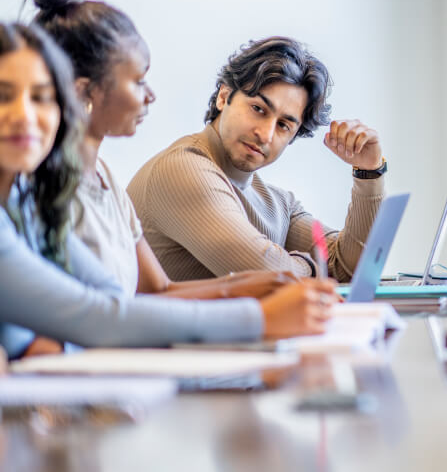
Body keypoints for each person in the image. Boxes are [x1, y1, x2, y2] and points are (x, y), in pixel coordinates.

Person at [0, 22, 336, 358]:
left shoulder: (24, 201)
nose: (25, 116)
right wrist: (260, 317)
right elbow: (99, 318)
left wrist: (369, 173)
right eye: (4, 96)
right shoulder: (183, 166)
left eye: (42, 98)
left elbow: (113, 301)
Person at [30, 0, 295, 299]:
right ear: (86, 92)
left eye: (285, 124)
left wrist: (260, 286)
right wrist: (254, 307)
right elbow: (108, 312)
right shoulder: (44, 188)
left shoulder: (105, 176)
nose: (149, 95)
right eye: (139, 80)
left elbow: (158, 289)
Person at [127, 36, 386, 282]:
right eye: (258, 109)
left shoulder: (278, 203)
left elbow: (351, 270)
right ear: (224, 96)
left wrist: (368, 171)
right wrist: (315, 267)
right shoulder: (182, 168)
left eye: (284, 125)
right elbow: (267, 273)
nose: (265, 134)